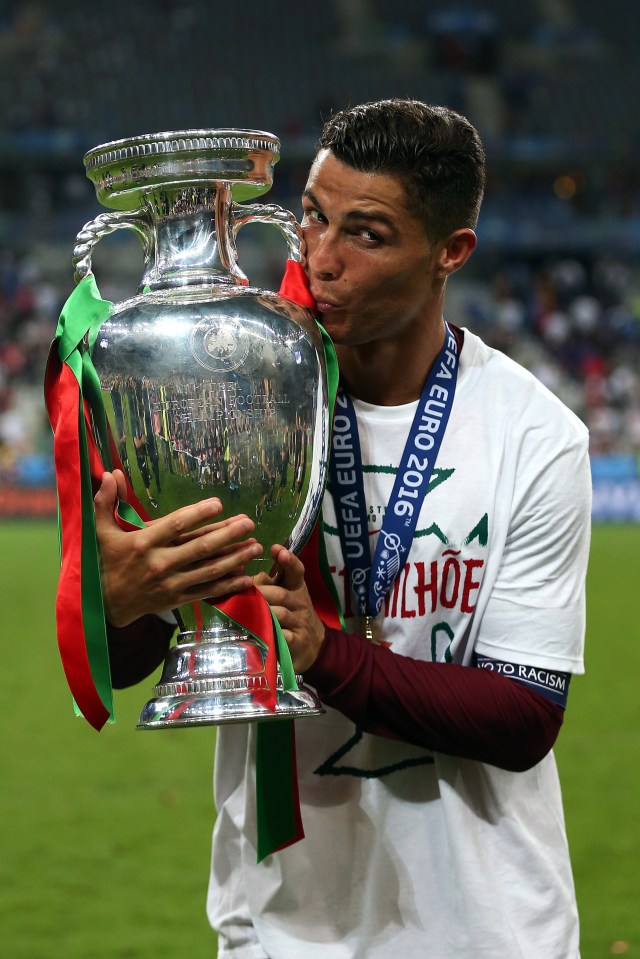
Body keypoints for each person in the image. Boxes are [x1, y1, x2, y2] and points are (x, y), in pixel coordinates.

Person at [94, 99, 591, 958]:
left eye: (365, 233)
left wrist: (324, 654)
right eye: (313, 217)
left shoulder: (533, 435)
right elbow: (141, 661)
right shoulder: (230, 400)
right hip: (280, 929)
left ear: (450, 252)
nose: (321, 259)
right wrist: (123, 603)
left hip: (488, 928)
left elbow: (524, 715)